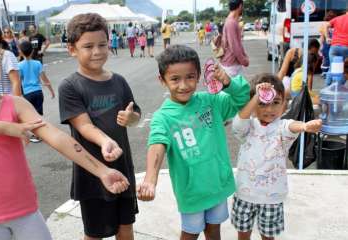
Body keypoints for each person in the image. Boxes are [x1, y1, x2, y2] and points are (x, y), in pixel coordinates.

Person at [0, 35, 130, 240]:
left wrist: (103, 171)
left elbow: (57, 137)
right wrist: (2, 127)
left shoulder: (15, 104)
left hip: (25, 210)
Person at [137, 45, 250, 240]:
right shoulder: (162, 117)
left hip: (217, 184)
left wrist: (229, 83)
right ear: (162, 80)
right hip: (191, 191)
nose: (184, 85)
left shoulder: (211, 101)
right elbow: (157, 144)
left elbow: (242, 100)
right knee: (190, 233)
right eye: (175, 79)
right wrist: (150, 178)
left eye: (190, 77)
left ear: (198, 76)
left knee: (214, 230)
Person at [59, 13, 141, 240]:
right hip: (92, 172)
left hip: (123, 167)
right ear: (72, 49)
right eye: (88, 46)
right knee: (95, 233)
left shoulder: (119, 81)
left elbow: (135, 115)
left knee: (126, 226)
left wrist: (130, 118)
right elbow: (83, 125)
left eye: (102, 44)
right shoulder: (70, 86)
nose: (97, 51)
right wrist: (106, 141)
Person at [231, 74, 322, 240]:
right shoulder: (248, 127)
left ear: (283, 104)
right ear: (253, 105)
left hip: (272, 197)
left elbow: (292, 126)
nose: (269, 109)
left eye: (275, 103)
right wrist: (256, 96)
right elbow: (237, 124)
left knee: (268, 236)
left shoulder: (281, 127)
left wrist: (305, 126)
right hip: (245, 194)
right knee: (243, 234)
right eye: (262, 103)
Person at [18, 41, 55, 143]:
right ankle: (42, 133)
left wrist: (18, 95)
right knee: (38, 115)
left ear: (20, 52)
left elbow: (18, 81)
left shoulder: (19, 65)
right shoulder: (38, 63)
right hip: (38, 92)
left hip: (27, 94)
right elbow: (45, 79)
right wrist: (52, 91)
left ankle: (35, 135)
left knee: (29, 115)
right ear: (32, 50)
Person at [220, 0, 249, 77]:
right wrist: (244, 60)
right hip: (231, 65)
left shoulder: (231, 21)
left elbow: (237, 44)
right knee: (235, 88)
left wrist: (244, 56)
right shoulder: (231, 22)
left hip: (232, 64)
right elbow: (234, 46)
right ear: (240, 6)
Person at [319, 11, 337, 76]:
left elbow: (322, 36)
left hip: (326, 44)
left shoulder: (323, 24)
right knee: (332, 57)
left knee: (326, 58)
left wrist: (320, 46)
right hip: (333, 44)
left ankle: (325, 72)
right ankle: (329, 72)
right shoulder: (334, 24)